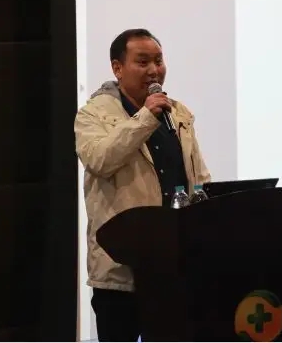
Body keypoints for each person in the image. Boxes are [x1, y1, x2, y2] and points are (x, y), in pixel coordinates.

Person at [74, 28, 211, 342]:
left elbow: (199, 179)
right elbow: (100, 160)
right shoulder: (92, 115)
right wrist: (146, 116)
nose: (154, 70)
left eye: (159, 61)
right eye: (143, 61)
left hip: (175, 266)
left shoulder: (177, 113)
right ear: (117, 68)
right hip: (121, 272)